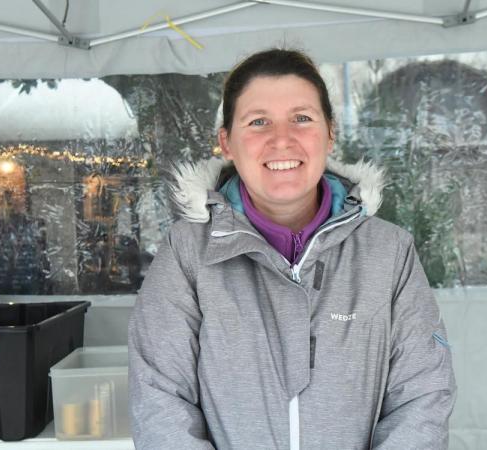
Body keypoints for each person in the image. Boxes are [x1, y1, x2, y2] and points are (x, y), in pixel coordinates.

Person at [128, 48, 456, 449]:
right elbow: (159, 400)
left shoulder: (389, 253)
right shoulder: (187, 254)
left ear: (330, 133)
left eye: (301, 118)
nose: (281, 139)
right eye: (258, 121)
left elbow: (422, 397)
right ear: (227, 142)